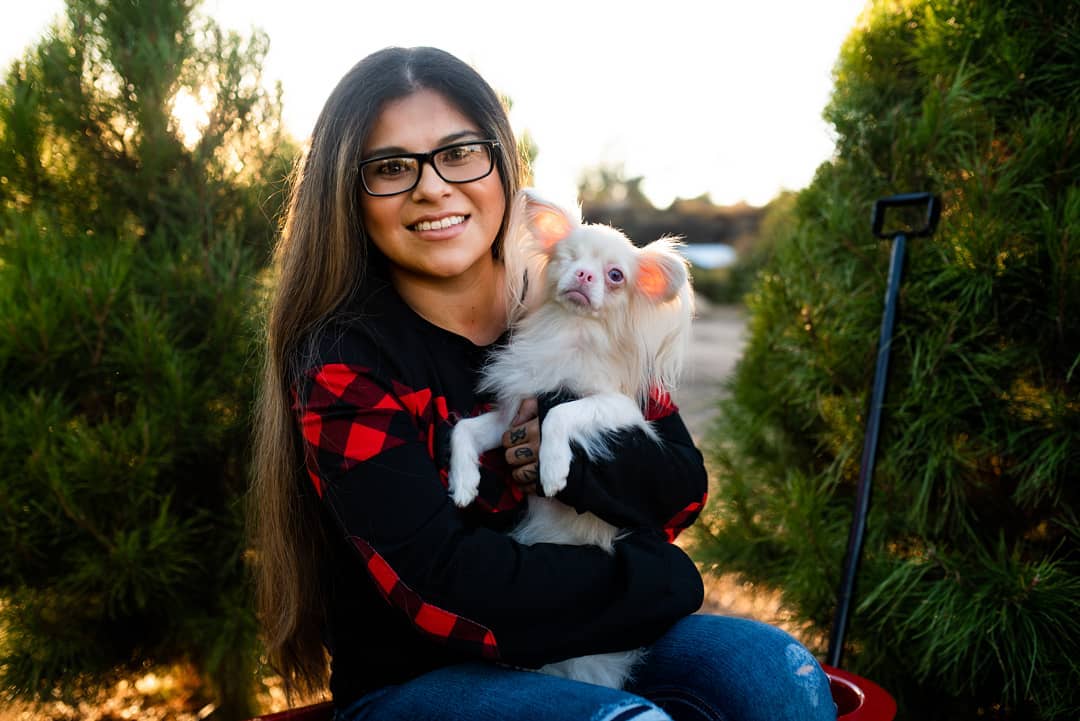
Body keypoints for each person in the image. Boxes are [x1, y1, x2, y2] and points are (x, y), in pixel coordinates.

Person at [249, 46, 836, 721]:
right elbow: (440, 586)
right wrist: (656, 579)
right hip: (421, 675)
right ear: (348, 196)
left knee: (778, 676)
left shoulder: (578, 304)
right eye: (390, 167)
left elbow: (680, 487)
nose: (432, 187)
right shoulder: (345, 362)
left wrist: (574, 461)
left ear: (502, 165)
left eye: (459, 153)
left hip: (599, 635)